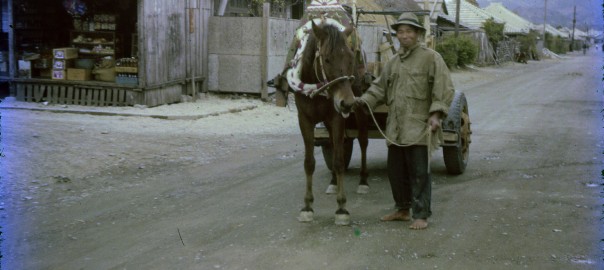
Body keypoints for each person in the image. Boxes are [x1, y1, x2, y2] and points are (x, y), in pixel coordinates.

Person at [354, 12, 454, 230]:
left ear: (418, 34)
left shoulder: (431, 58)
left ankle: (421, 215)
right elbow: (379, 88)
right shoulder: (393, 63)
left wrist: (436, 115)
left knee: (419, 172)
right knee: (396, 171)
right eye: (400, 31)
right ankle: (402, 209)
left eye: (409, 31)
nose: (404, 35)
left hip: (419, 128)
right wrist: (362, 102)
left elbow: (444, 88)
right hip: (396, 128)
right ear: (397, 35)